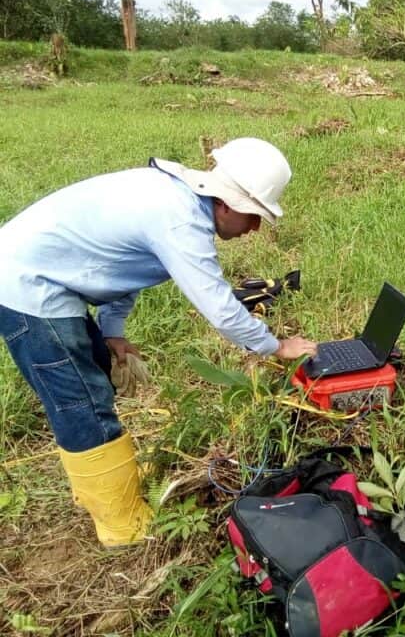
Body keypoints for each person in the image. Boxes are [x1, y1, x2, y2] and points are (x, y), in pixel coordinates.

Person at [0, 138, 318, 547]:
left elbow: (124, 266)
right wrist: (276, 346)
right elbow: (220, 309)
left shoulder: (171, 199)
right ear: (226, 202)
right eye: (253, 215)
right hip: (27, 288)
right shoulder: (178, 221)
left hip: (39, 276)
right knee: (80, 400)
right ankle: (122, 527)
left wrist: (112, 331)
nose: (255, 228)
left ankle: (109, 484)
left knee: (94, 370)